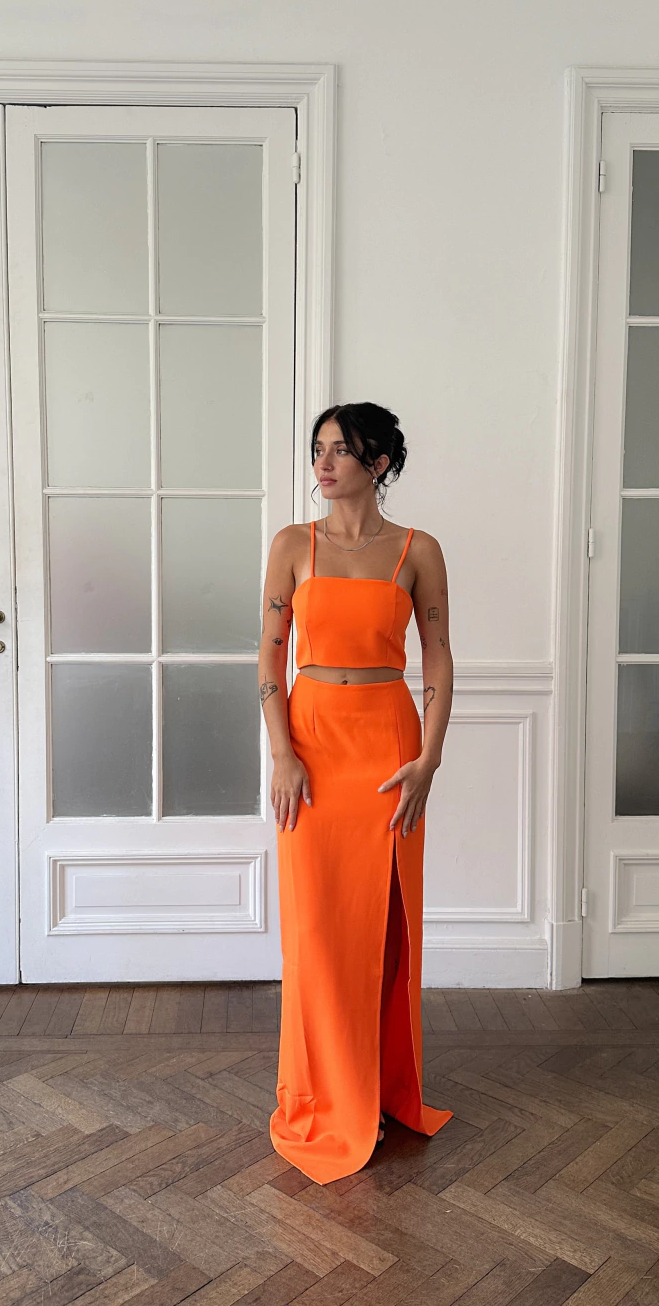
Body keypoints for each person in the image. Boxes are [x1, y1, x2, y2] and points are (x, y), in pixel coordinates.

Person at [260, 402, 454, 1183]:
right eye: (318, 448)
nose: (323, 462)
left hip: (387, 747)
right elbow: (270, 657)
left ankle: (374, 1089)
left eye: (341, 449)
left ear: (378, 462)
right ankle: (324, 1093)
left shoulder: (417, 550)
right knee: (316, 930)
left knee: (384, 925)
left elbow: (438, 657)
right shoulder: (291, 545)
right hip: (311, 746)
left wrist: (429, 759)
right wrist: (282, 754)